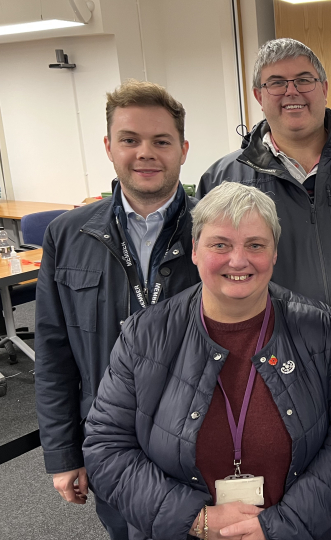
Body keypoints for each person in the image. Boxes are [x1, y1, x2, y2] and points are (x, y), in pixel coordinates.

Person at [82, 182, 331, 540]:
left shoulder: (322, 329)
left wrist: (282, 525)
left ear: (274, 254)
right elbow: (106, 446)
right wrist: (196, 519)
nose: (238, 260)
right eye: (220, 244)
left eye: (255, 245)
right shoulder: (145, 335)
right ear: (194, 250)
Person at [35, 80, 201, 539]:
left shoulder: (214, 233)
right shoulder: (67, 235)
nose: (145, 152)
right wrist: (64, 453)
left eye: (161, 141)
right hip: (109, 440)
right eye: (130, 140)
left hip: (196, 441)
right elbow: (52, 354)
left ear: (183, 150)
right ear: (109, 147)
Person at [198, 38, 331, 324]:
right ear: (258, 95)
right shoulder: (223, 180)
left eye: (304, 80)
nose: (292, 91)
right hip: (273, 355)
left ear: (324, 89)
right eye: (276, 83)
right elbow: (209, 278)